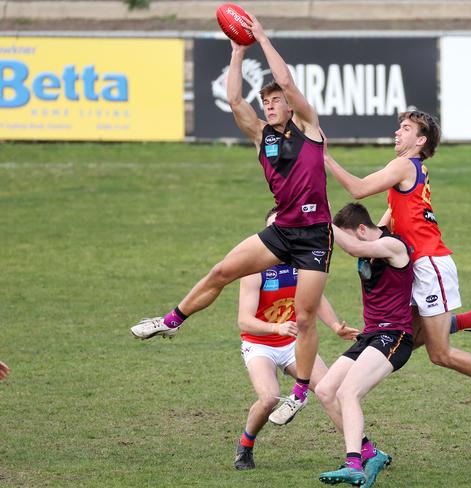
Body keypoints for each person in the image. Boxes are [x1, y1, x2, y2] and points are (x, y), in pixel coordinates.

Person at [131, 15, 332, 425]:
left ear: (291, 105)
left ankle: (298, 393)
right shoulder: (263, 136)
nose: (271, 104)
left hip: (314, 238)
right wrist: (238, 51)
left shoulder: (311, 130)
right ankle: (171, 321)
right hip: (281, 232)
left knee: (306, 318)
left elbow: (289, 83)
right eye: (268, 101)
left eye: (276, 100)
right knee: (221, 271)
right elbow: (236, 101)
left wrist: (261, 37)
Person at [324, 111, 471, 430]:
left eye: (405, 128)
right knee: (406, 337)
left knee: (439, 353)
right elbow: (392, 213)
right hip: (422, 264)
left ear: (420, 141)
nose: (398, 132)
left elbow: (359, 188)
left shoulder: (405, 164)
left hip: (429, 264)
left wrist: (323, 155)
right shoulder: (409, 171)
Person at [234, 208, 359, 470]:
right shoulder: (254, 270)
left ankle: (363, 451)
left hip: (293, 344)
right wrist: (276, 329)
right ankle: (245, 445)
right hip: (260, 344)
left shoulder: (301, 264)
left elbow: (316, 300)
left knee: (330, 392)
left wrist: (336, 325)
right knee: (269, 398)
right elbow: (244, 321)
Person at [315, 203, 414, 487]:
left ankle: (354, 464)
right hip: (370, 335)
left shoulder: (394, 246)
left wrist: (320, 216)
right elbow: (390, 206)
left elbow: (356, 247)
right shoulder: (373, 234)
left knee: (348, 392)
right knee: (325, 390)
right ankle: (371, 453)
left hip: (394, 336)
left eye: (351, 237)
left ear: (361, 230)